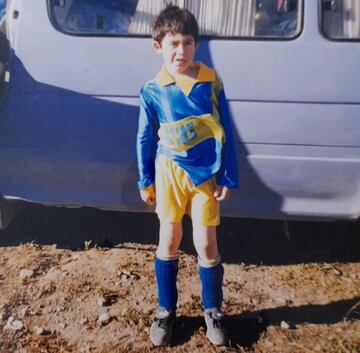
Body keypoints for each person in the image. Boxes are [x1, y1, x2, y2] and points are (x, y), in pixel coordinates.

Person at [136, 4, 238, 347]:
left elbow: (226, 130)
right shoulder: (153, 89)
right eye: (173, 43)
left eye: (188, 42)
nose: (181, 51)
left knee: (207, 243)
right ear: (158, 46)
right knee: (169, 241)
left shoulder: (210, 81)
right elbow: (145, 137)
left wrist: (229, 174)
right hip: (168, 174)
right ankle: (166, 311)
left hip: (205, 175)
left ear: (197, 44)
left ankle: (213, 311)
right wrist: (144, 179)